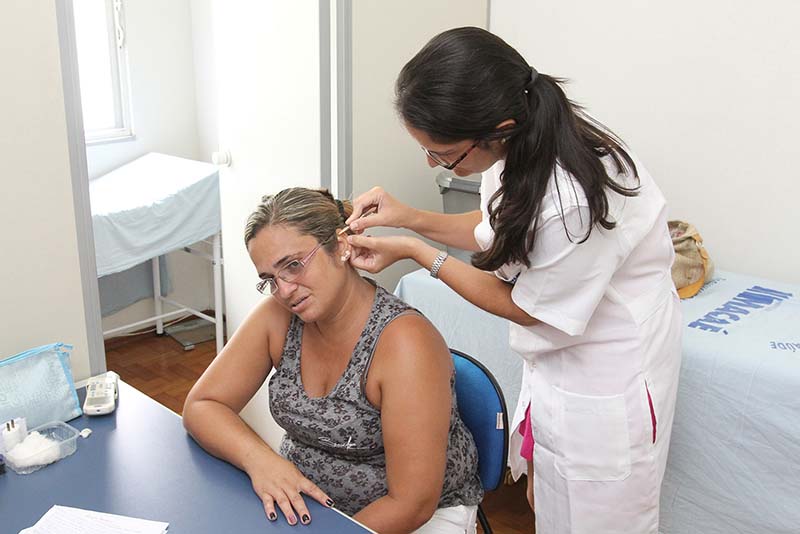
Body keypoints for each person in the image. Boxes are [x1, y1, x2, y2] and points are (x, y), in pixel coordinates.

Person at [344, 27, 682, 534]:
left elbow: (527, 306)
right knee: (554, 508)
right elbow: (494, 232)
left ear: (495, 128)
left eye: (442, 154)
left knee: (602, 519)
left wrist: (419, 253)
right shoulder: (516, 146)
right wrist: (407, 217)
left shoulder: (573, 199)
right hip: (562, 360)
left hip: (610, 370)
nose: (432, 164)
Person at [183, 187, 483, 534]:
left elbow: (411, 505)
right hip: (311, 505)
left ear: (341, 245)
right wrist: (261, 461)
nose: (284, 290)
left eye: (293, 266)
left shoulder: (404, 343)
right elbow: (203, 404)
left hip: (413, 520)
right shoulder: (277, 317)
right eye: (269, 279)